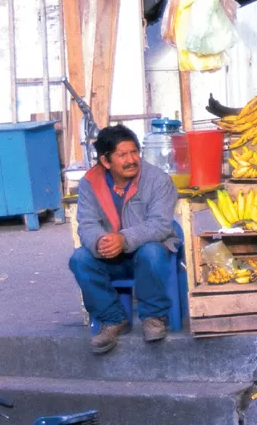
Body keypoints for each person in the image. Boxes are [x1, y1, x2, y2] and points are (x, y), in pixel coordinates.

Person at [70, 125, 180, 354]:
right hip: (112, 257)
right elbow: (87, 224)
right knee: (80, 258)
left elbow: (160, 225)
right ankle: (112, 319)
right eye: (122, 155)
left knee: (151, 251)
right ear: (106, 161)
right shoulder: (90, 183)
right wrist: (100, 241)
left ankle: (154, 317)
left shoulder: (158, 180)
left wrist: (123, 239)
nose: (131, 160)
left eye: (134, 152)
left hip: (148, 254)